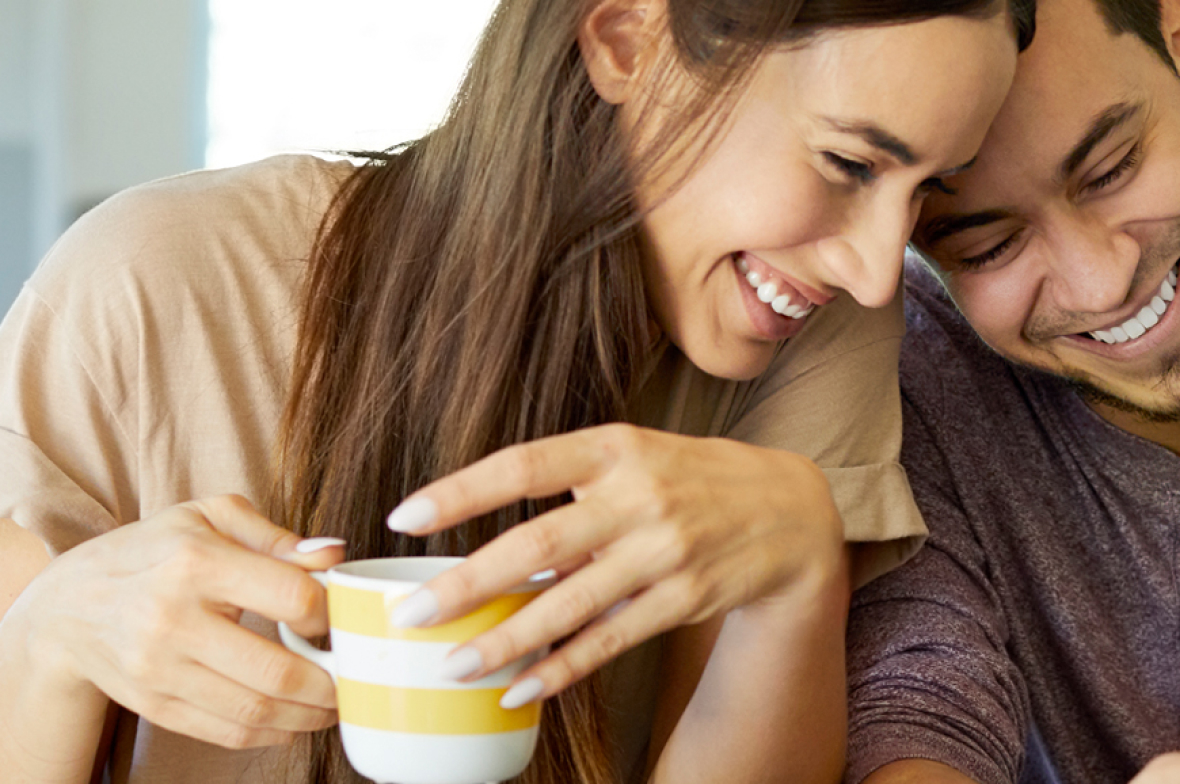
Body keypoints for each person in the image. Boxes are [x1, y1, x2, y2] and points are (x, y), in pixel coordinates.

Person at [0, 0, 1032, 782]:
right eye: (849, 161)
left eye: (926, 192)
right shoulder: (155, 287)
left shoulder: (814, 334)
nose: (872, 268)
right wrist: (48, 644)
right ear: (627, 41)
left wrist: (794, 582)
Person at [844, 0, 1180, 782]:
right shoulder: (910, 378)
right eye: (990, 246)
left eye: (1110, 171)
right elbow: (917, 703)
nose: (1101, 285)